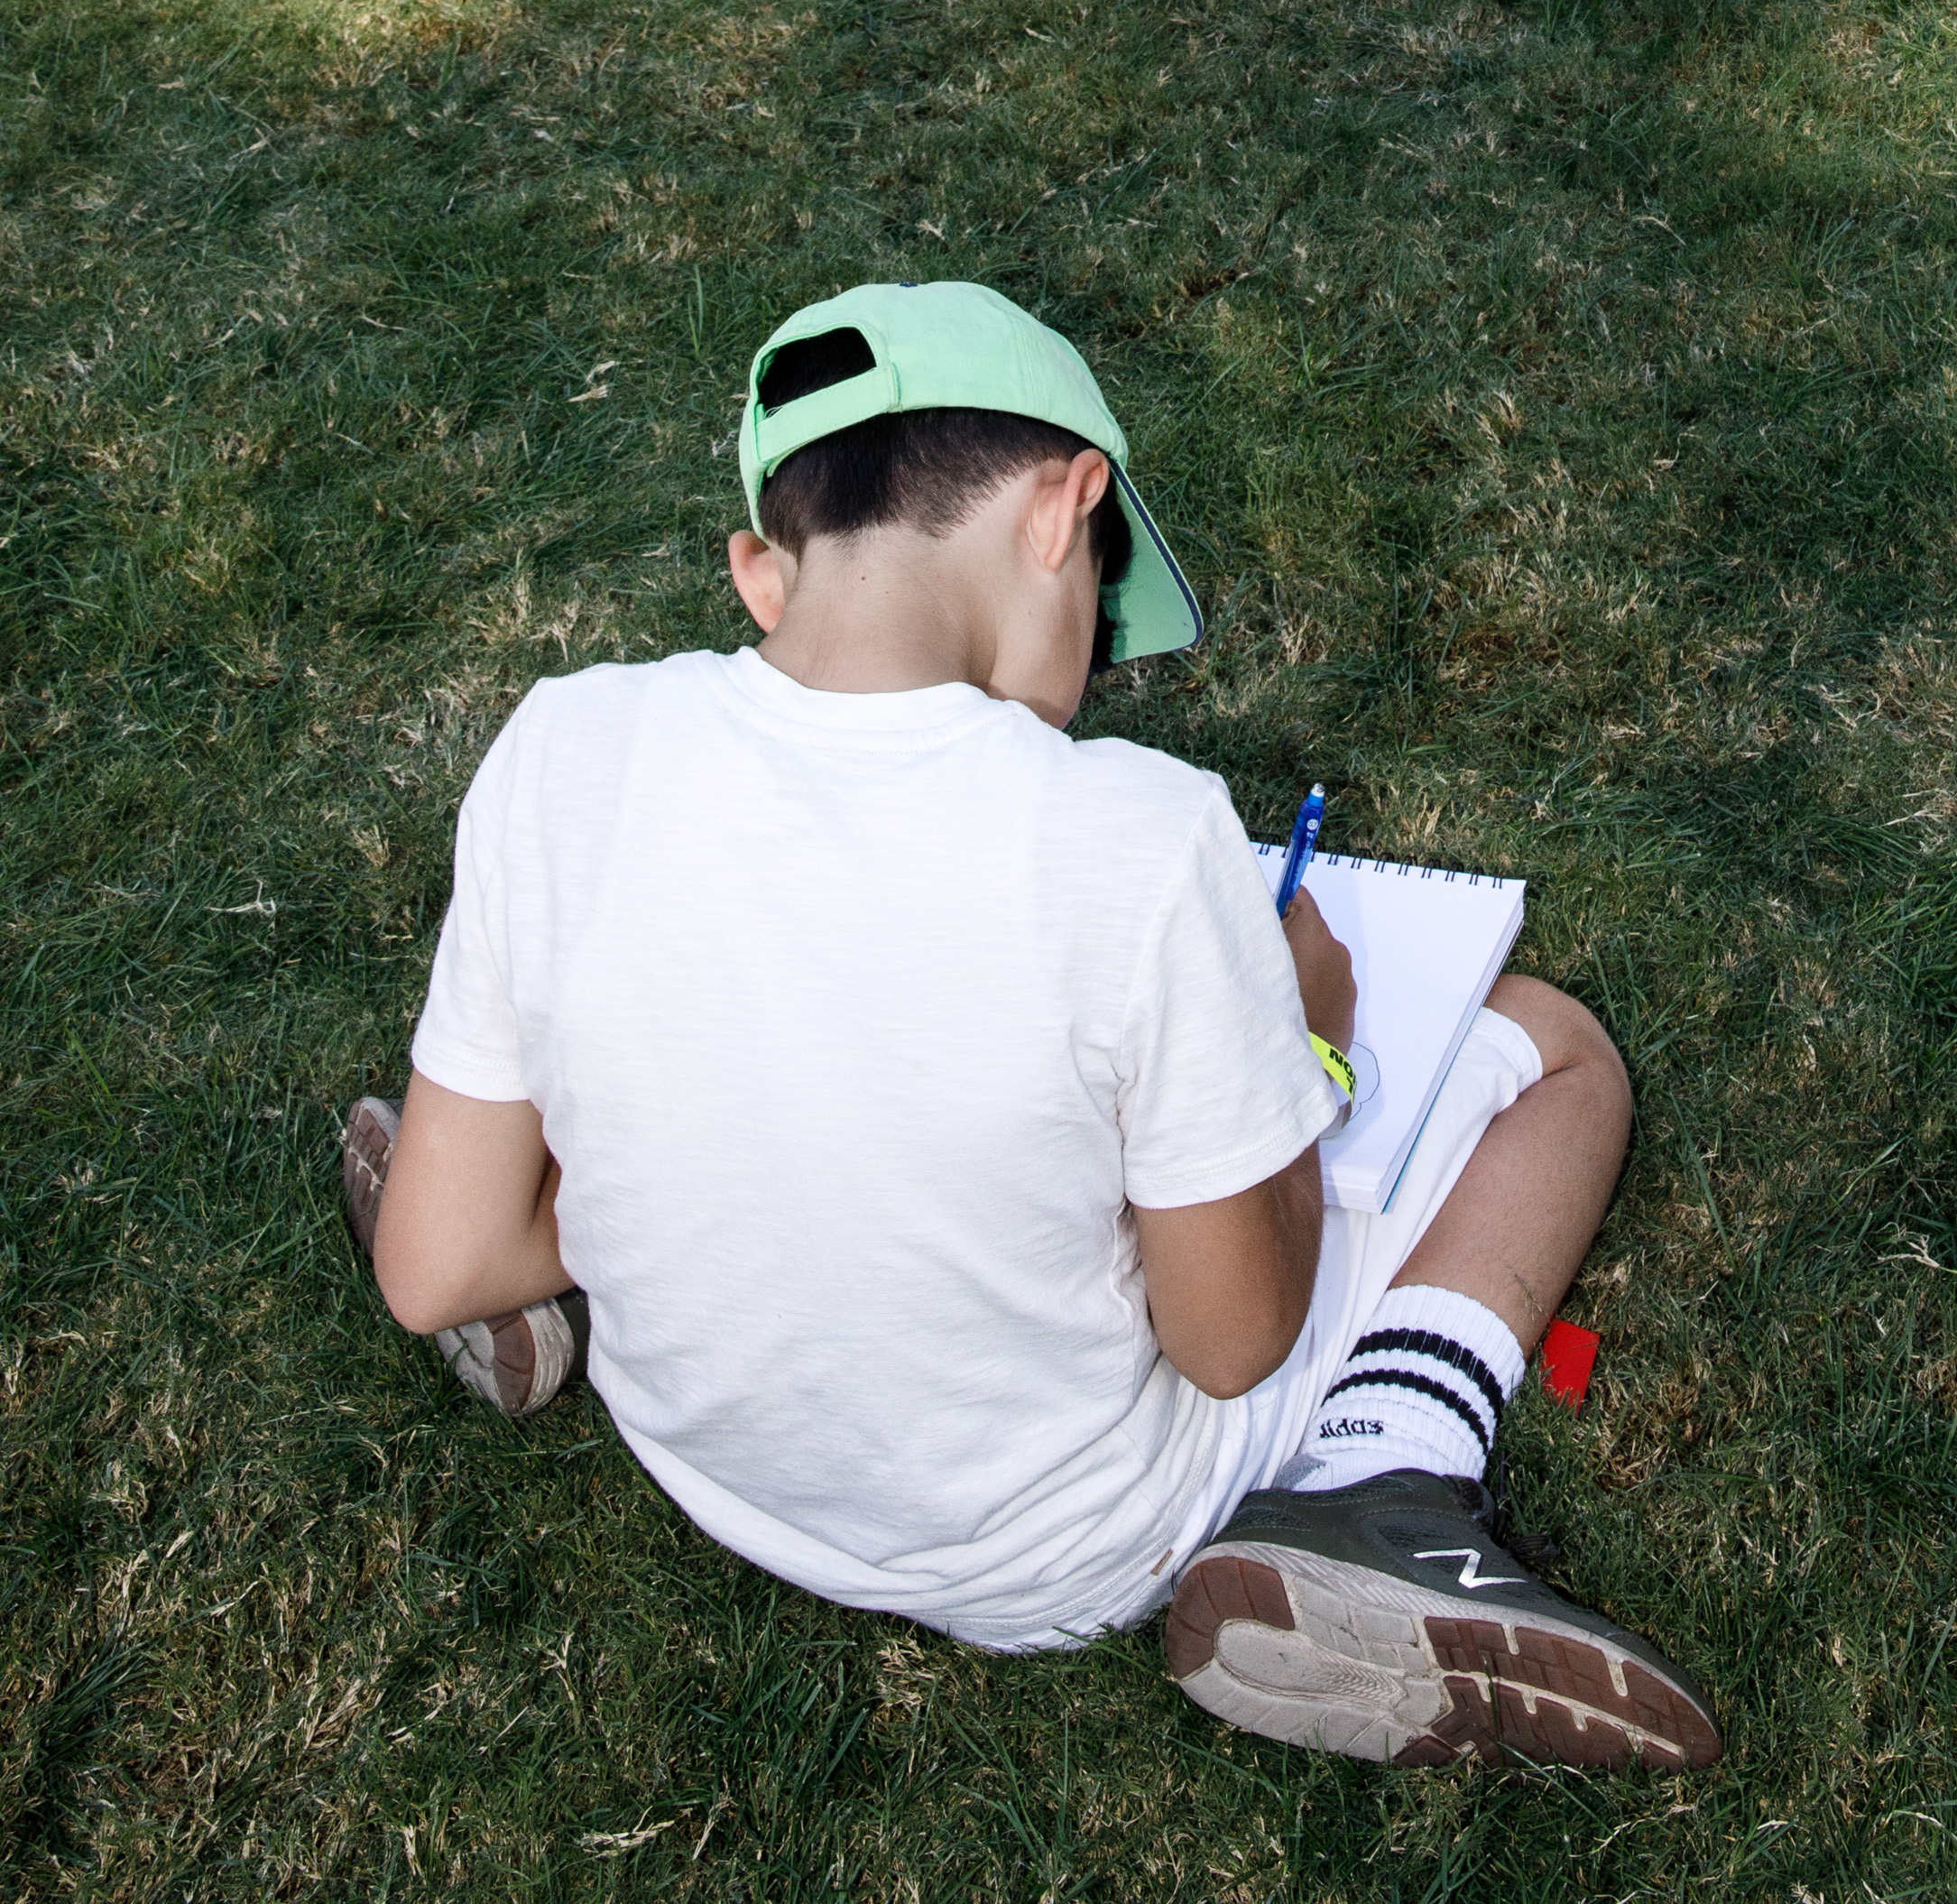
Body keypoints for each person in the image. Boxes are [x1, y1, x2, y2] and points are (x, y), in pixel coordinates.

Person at [338, 278, 1720, 1774]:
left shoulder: (562, 744)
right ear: (1065, 509)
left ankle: (604, 1243)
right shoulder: (1139, 832)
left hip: (712, 1472)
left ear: (762, 571)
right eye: (1105, 598)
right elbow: (1232, 1341)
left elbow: (431, 1271)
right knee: (1552, 1047)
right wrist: (1300, 1053)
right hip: (1064, 1548)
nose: (1093, 665)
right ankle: (1383, 1476)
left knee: (648, 1121)